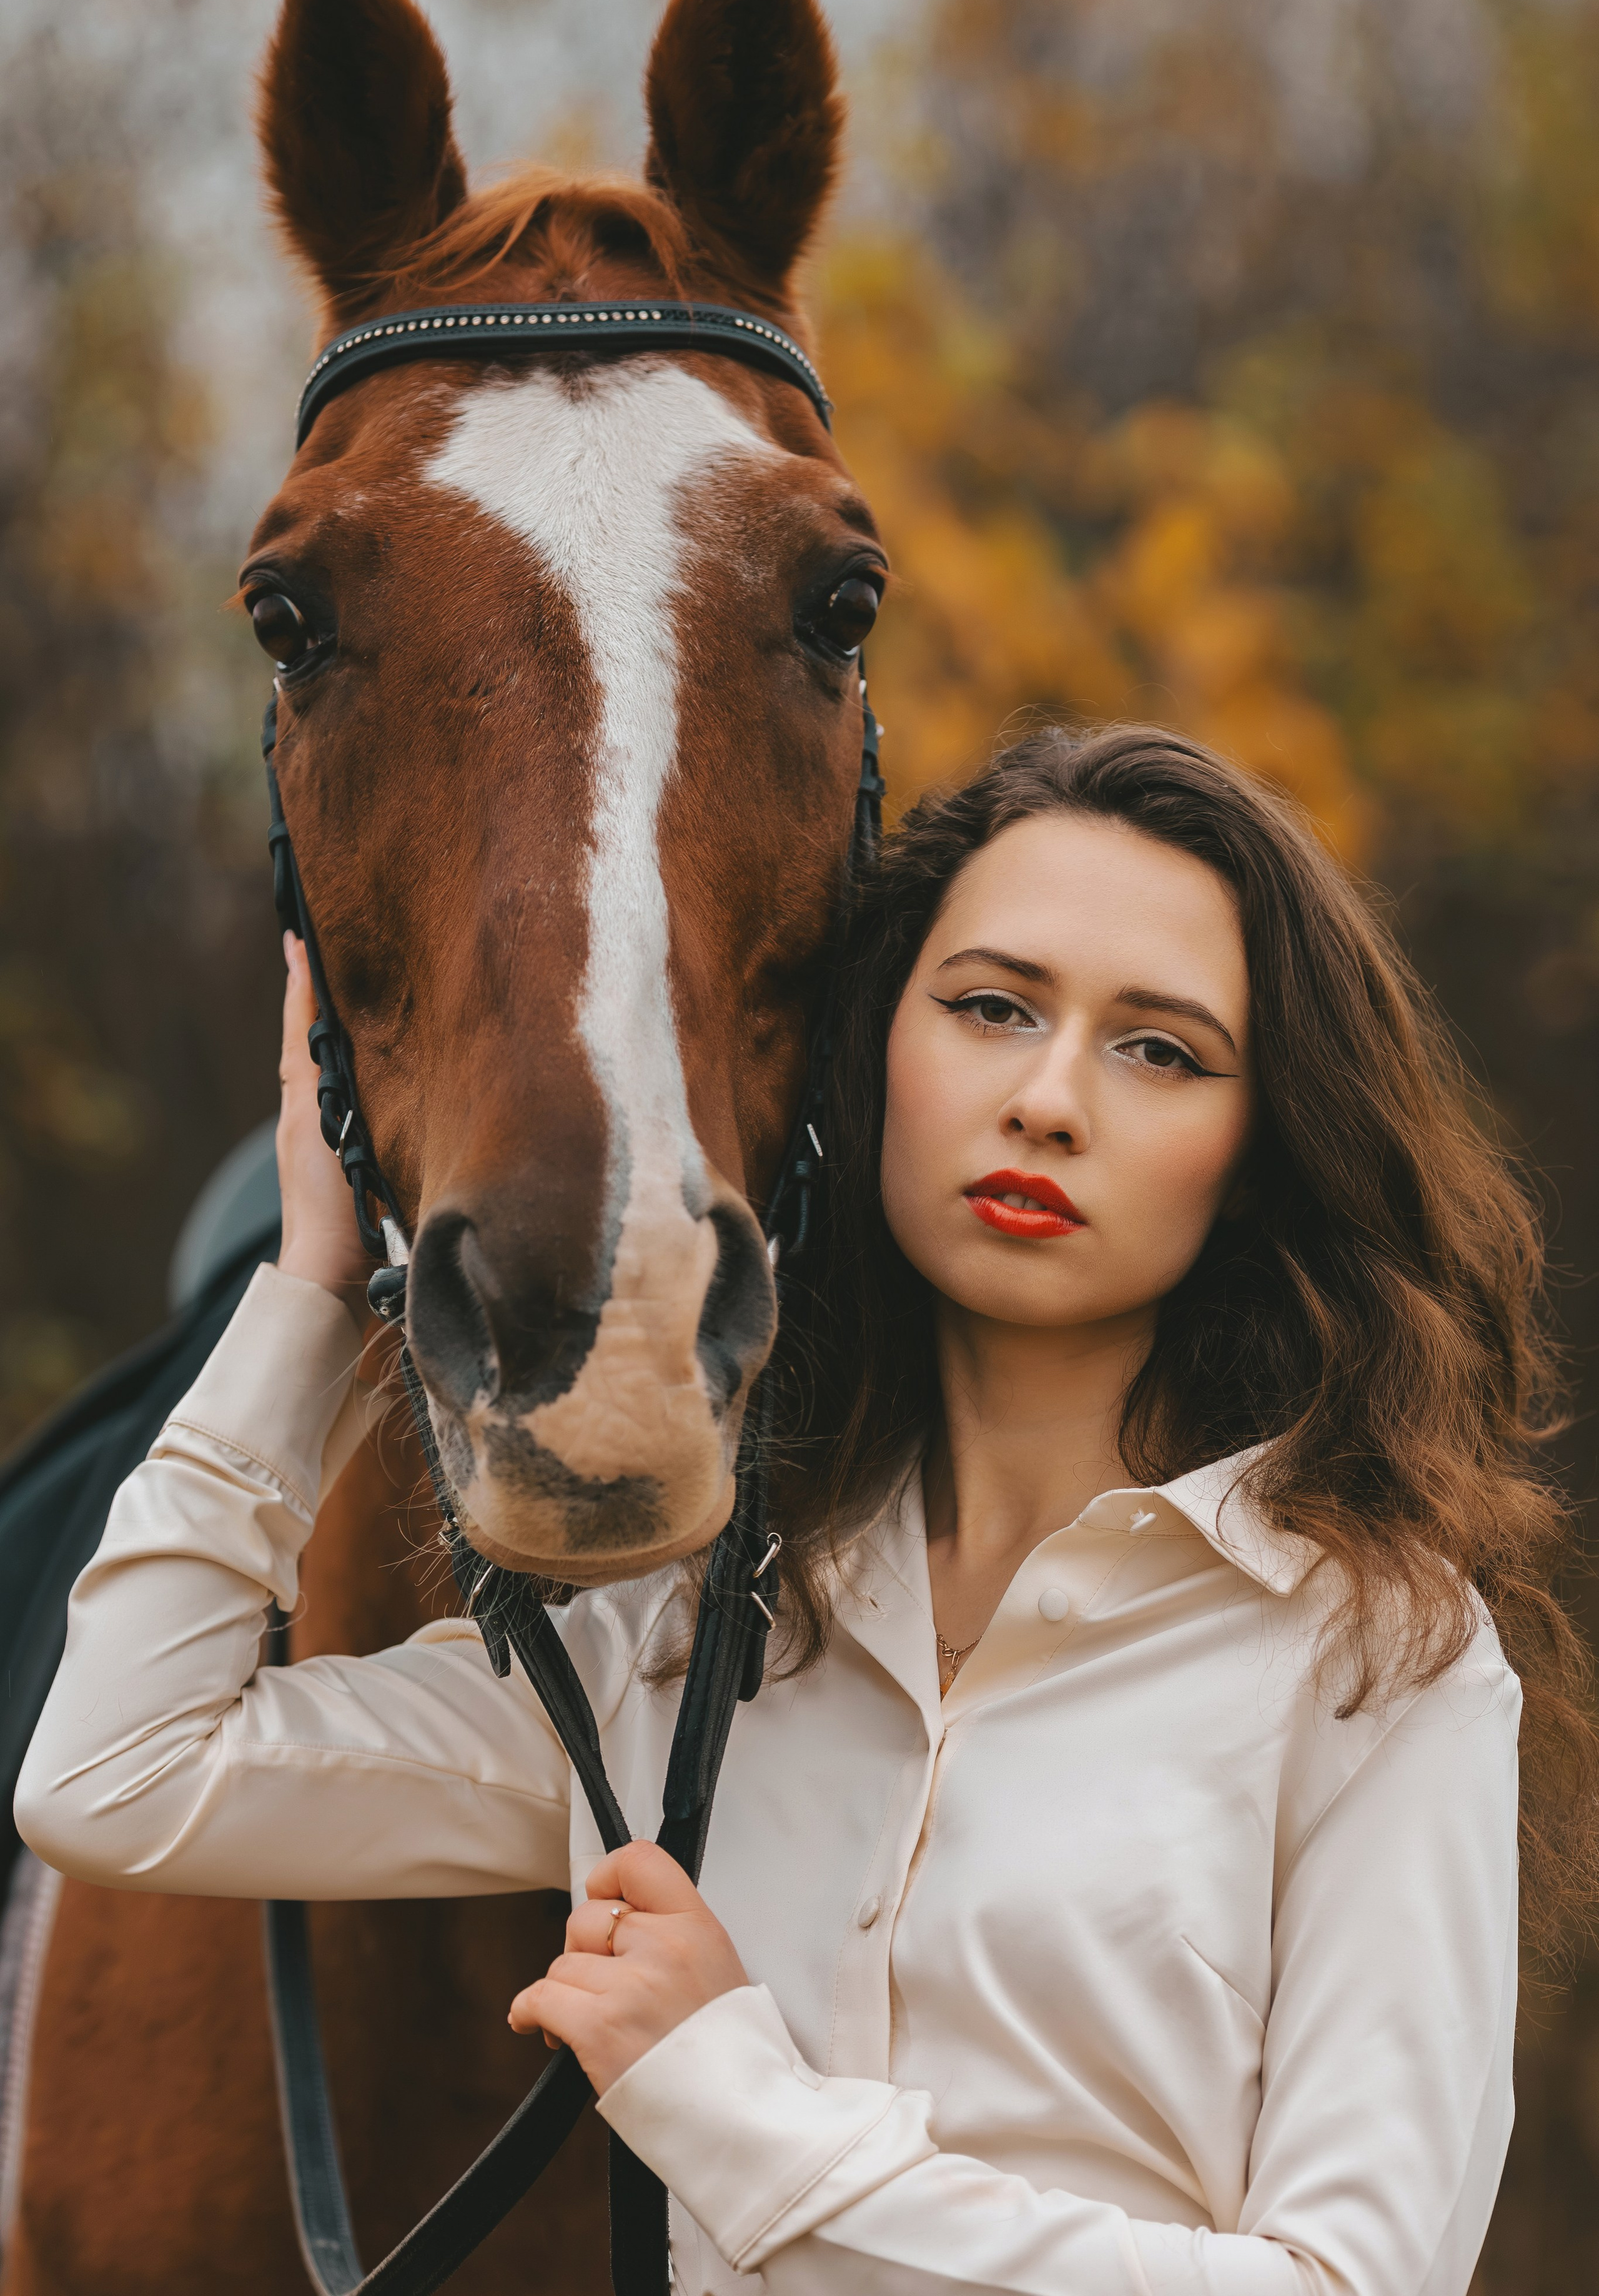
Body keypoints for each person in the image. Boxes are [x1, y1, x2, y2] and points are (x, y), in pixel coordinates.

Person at [17, 725, 1597, 2296]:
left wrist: (730, 2103)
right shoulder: (692, 1641)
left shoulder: (1374, 1659)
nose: (1047, 1099)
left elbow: (1351, 2282)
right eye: (989, 1008)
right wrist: (316, 1277)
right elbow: (119, 1777)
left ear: (1250, 1154)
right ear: (872, 1055)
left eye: (1158, 1049)